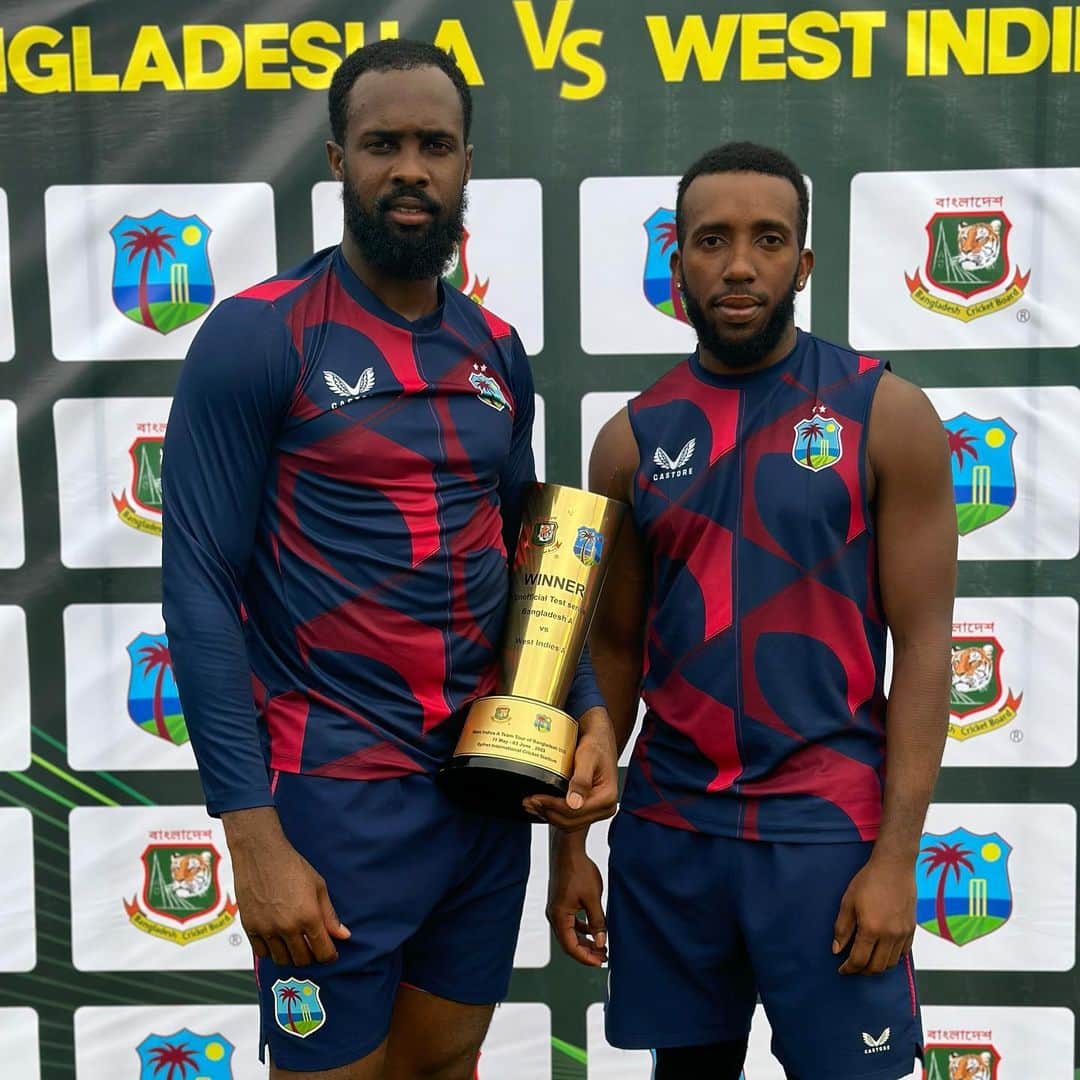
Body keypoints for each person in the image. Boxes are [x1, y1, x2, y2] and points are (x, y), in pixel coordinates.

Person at [162, 39, 617, 1080]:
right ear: (337, 161)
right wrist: (250, 835)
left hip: (482, 792)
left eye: (434, 145)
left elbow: (532, 569)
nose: (410, 169)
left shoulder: (495, 349)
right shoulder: (258, 335)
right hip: (332, 799)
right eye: (382, 145)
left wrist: (586, 711)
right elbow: (198, 585)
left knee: (448, 1063)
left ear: (466, 164)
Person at [545, 142, 956, 1079]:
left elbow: (927, 647)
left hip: (827, 832)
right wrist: (571, 849)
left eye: (768, 240)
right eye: (712, 240)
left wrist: (899, 859)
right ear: (677, 261)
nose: (739, 264)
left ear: (803, 264)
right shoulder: (630, 440)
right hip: (672, 832)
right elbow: (611, 653)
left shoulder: (885, 413)